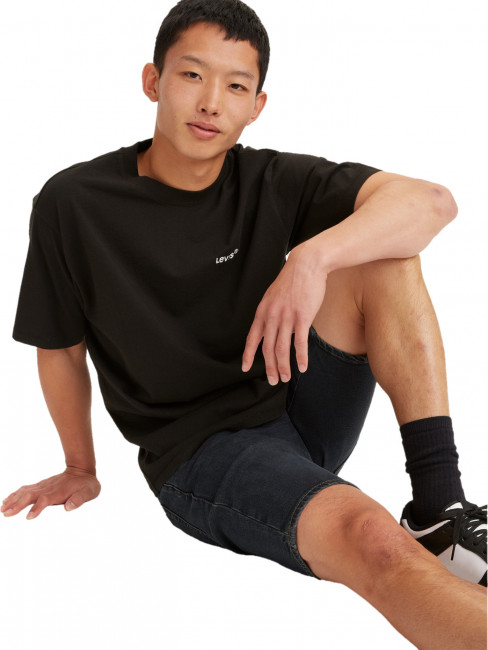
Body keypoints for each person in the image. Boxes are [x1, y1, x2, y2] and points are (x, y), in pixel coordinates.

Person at [4, 0, 486, 646]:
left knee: (385, 250)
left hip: (297, 398)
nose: (211, 103)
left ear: (256, 106)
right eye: (192, 75)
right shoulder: (74, 203)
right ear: (152, 81)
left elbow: (432, 202)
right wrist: (79, 465)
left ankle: (440, 510)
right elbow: (60, 348)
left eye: (235, 86)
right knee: (371, 537)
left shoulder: (268, 179)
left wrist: (311, 259)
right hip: (202, 453)